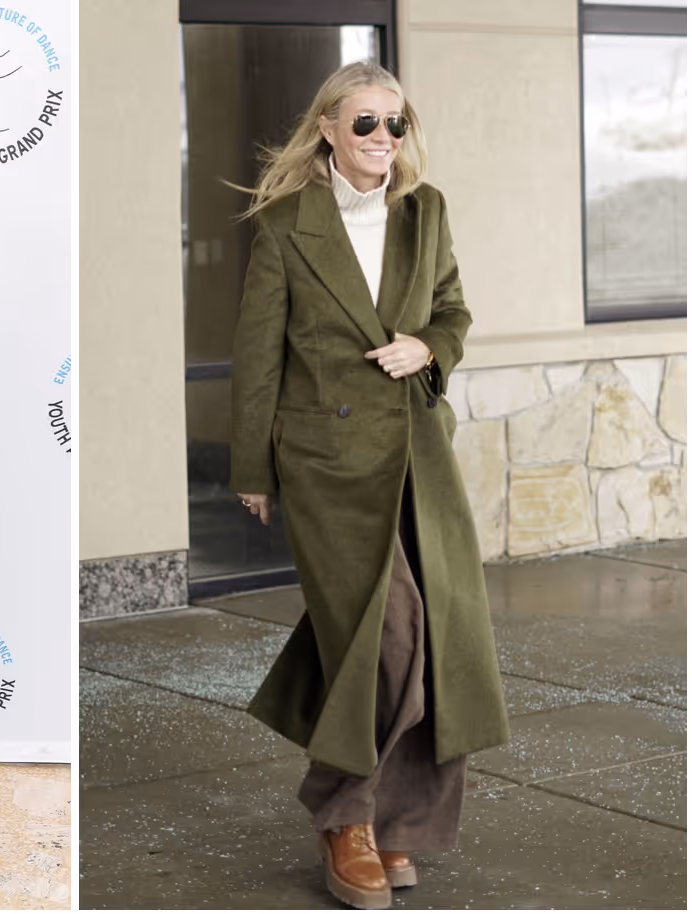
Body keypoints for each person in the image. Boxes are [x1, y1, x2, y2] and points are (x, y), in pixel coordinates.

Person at [229, 61, 510, 910]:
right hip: (324, 464)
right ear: (327, 127)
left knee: (414, 641)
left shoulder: (425, 213)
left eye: (395, 123)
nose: (382, 139)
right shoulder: (286, 224)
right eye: (364, 124)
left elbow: (452, 313)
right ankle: (341, 815)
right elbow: (257, 352)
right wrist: (251, 469)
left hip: (419, 458)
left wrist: (427, 348)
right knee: (392, 635)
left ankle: (387, 824)